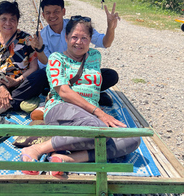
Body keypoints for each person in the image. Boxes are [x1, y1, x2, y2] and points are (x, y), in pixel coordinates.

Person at [21, 16, 140, 175]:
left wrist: (111, 28)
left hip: (88, 115)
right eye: (74, 37)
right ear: (66, 37)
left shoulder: (94, 56)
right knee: (100, 130)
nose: (79, 42)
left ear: (90, 39)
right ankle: (38, 148)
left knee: (132, 138)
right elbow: (63, 91)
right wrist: (99, 112)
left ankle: (68, 159)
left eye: (84, 38)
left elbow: (106, 42)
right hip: (61, 109)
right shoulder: (57, 59)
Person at [31, 0, 120, 105]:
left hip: (81, 73)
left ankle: (71, 95)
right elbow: (46, 63)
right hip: (59, 76)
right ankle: (88, 95)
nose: (52, 15)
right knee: (39, 76)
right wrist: (39, 49)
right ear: (43, 15)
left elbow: (105, 43)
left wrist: (110, 28)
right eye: (48, 13)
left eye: (56, 11)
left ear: (63, 11)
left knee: (111, 75)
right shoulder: (42, 35)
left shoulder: (76, 25)